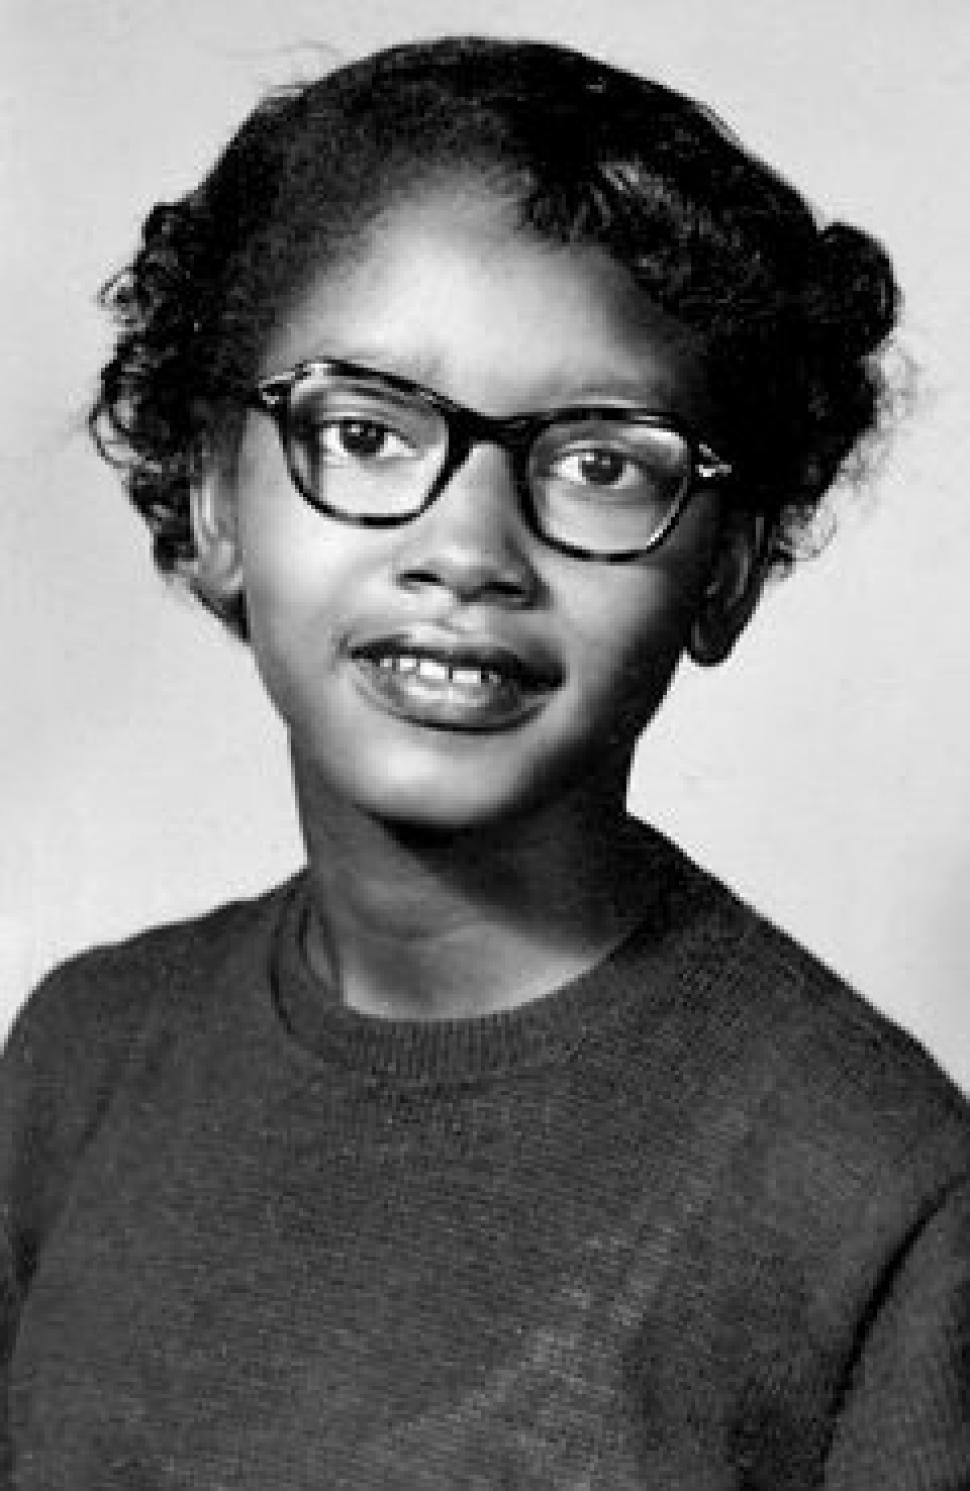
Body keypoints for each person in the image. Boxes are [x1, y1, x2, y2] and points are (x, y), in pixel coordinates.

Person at [2, 33, 967, 1489]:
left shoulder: (878, 1199)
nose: (463, 548)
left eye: (597, 462)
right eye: (367, 429)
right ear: (211, 503)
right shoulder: (81, 1061)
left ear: (727, 572)